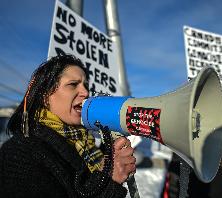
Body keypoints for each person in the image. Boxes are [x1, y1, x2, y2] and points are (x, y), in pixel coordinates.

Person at [0, 54, 136, 197]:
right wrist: (107, 182)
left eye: (86, 85)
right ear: (45, 96)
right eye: (72, 84)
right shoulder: (20, 152)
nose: (85, 92)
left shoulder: (84, 142)